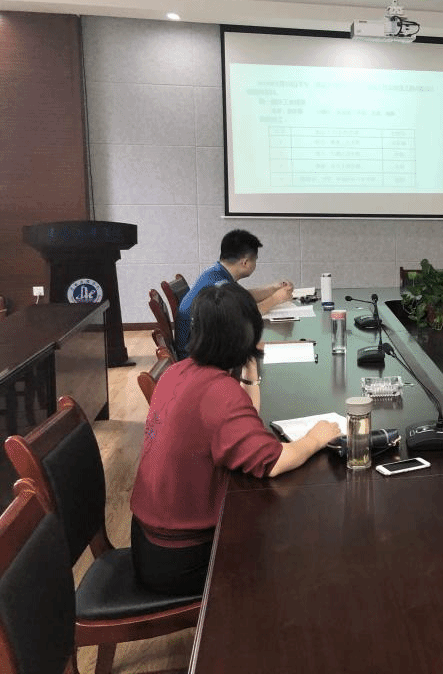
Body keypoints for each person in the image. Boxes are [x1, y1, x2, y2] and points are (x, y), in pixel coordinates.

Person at [130, 283, 340, 595]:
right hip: (180, 557)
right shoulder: (218, 392)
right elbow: (273, 462)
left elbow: (245, 420)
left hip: (150, 541)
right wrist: (316, 437)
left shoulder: (181, 370)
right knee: (300, 549)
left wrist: (249, 369)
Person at [174, 229, 294, 358]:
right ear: (245, 262)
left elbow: (243, 298)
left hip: (199, 344)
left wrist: (272, 289)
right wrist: (275, 299)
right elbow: (244, 317)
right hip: (196, 355)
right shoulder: (218, 284)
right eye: (255, 260)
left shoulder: (216, 272)